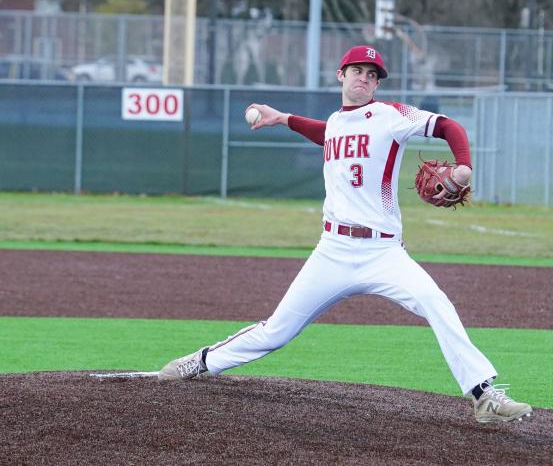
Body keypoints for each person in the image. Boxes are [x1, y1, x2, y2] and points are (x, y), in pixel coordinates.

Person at [159, 45, 532, 424]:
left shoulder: (392, 116)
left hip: (383, 252)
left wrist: (464, 167)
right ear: (341, 74)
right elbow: (328, 133)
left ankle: (484, 395)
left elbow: (449, 126)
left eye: (373, 75)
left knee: (436, 303)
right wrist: (282, 118)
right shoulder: (337, 121)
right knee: (276, 332)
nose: (365, 79)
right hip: (333, 251)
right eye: (358, 71)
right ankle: (202, 361)